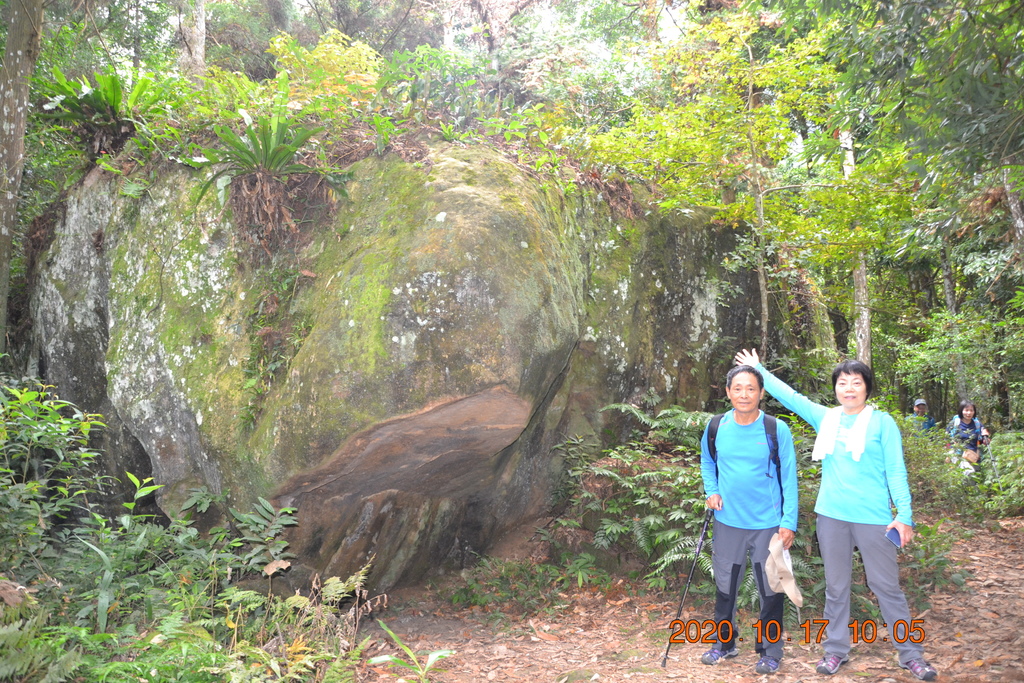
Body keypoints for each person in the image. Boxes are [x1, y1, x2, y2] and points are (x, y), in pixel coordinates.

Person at [734, 349, 937, 682]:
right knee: (837, 586)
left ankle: (911, 655)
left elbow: (896, 471)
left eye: (856, 383)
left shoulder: (882, 423)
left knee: (885, 586)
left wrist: (906, 515)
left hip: (873, 517)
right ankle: (835, 650)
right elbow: (791, 397)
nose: (849, 389)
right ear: (836, 388)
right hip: (831, 516)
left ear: (867, 388)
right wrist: (759, 370)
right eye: (843, 383)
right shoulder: (825, 417)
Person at [699, 364, 798, 675]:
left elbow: (789, 478)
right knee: (725, 586)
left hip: (768, 523)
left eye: (751, 388)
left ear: (761, 393)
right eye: (738, 388)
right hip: (728, 520)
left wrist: (789, 521)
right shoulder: (716, 426)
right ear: (728, 392)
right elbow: (707, 461)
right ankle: (724, 644)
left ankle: (770, 650)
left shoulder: (775, 429)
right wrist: (712, 491)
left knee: (771, 588)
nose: (744, 394)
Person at [947, 400, 989, 468]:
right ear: (961, 411)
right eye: (966, 410)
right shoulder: (955, 423)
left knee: (974, 476)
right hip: (958, 456)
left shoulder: (977, 424)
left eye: (971, 410)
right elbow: (947, 438)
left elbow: (980, 440)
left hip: (973, 457)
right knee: (968, 472)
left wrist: (985, 440)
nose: (969, 413)